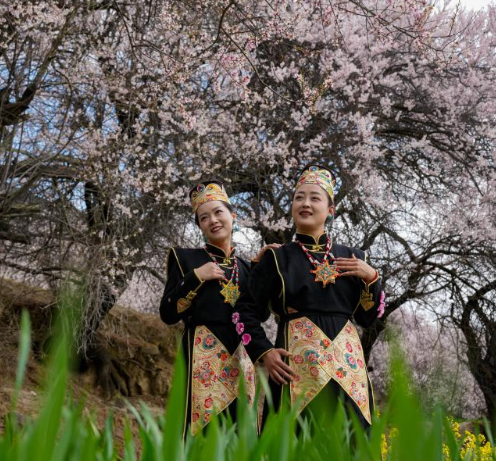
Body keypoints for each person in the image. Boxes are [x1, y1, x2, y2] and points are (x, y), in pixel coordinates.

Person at [235, 164, 385, 430]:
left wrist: (372, 278)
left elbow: (368, 317)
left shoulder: (355, 258)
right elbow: (243, 312)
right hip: (296, 372)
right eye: (299, 197)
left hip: (348, 374)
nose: (305, 203)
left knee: (352, 444)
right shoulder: (276, 257)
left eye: (314, 198)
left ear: (330, 210)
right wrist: (264, 352)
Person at [159, 181, 266, 435]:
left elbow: (261, 315)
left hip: (241, 357)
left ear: (233, 215)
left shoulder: (246, 267)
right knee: (202, 432)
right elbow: (168, 313)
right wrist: (196, 276)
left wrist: (262, 274)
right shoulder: (185, 258)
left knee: (242, 434)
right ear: (199, 225)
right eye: (204, 217)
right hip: (202, 357)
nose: (213, 220)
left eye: (219, 212)